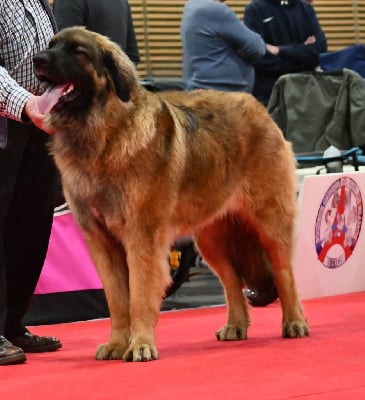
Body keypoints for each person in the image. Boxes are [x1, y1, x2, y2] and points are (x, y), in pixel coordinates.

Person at [0, 0, 62, 366]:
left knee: (32, 226)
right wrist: (27, 103)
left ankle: (12, 324)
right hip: (10, 118)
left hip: (39, 124)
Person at [243, 0, 327, 105]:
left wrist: (278, 50)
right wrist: (302, 61)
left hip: (306, 94)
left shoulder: (306, 9)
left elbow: (319, 51)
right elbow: (258, 57)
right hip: (270, 96)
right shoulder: (255, 9)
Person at [181, 0, 266, 93]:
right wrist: (242, 50)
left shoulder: (192, 4)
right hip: (221, 96)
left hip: (203, 91)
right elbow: (258, 47)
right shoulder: (215, 9)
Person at [53, 0, 140, 66]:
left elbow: (63, 55)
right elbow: (132, 56)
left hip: (81, 87)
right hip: (116, 87)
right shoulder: (121, 2)